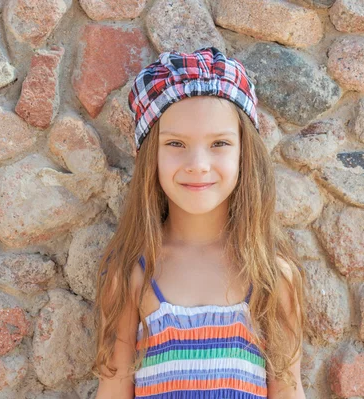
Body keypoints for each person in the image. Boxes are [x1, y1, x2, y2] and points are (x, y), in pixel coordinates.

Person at [91, 47, 310, 399]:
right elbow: (113, 390)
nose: (198, 164)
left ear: (244, 153)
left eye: (219, 143)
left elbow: (288, 390)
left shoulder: (272, 278)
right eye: (176, 143)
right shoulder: (131, 274)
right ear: (151, 156)